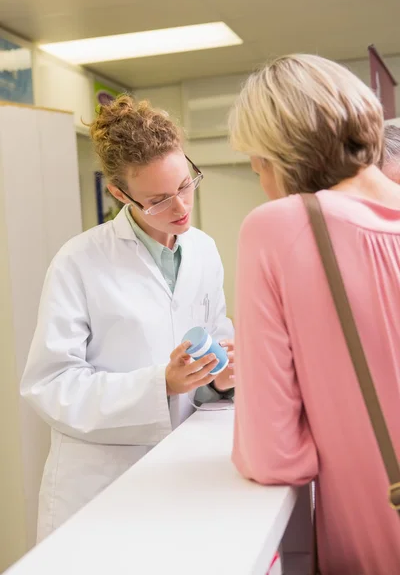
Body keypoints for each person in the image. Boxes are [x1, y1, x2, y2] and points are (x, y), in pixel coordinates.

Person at [21, 95, 234, 542]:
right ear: (119, 193)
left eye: (185, 184)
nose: (180, 207)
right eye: (158, 199)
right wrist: (162, 385)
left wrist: (223, 373)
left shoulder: (204, 250)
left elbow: (216, 338)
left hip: (183, 471)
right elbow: (51, 384)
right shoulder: (78, 261)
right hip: (100, 485)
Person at [228, 54, 400, 575]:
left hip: (376, 539)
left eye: (258, 166)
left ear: (280, 156)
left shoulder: (278, 228)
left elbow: (272, 454)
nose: (262, 182)